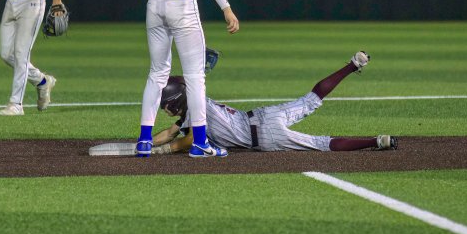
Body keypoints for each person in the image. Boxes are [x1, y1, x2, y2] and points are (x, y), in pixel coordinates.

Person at [136, 0, 239, 158]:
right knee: (195, 76)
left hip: (154, 3)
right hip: (181, 2)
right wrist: (226, 7)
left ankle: (144, 141)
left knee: (157, 73)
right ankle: (200, 143)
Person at [149, 51, 397, 154]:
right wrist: (147, 143)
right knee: (311, 99)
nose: (165, 108)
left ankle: (376, 141)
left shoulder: (196, 112)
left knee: (320, 144)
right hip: (265, 115)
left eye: (165, 103)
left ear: (176, 100)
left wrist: (164, 150)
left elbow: (190, 140)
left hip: (266, 136)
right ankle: (352, 65)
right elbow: (171, 132)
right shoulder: (197, 104)